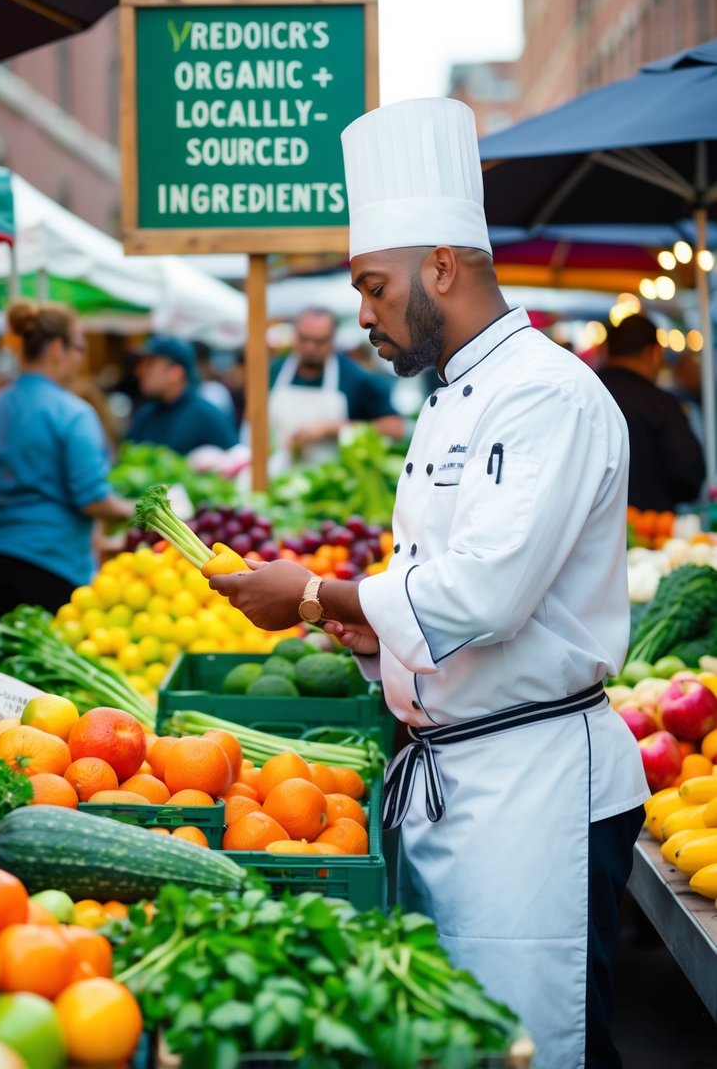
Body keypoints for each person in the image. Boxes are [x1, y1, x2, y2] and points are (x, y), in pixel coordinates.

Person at [207, 97, 649, 1068]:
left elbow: (484, 594)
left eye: (372, 284)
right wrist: (374, 636)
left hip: (532, 792)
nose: (361, 312)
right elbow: (435, 582)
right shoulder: (454, 394)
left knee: (538, 1046)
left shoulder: (542, 391)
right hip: (465, 779)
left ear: (440, 267)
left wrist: (321, 595)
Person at [0, 301, 134, 617]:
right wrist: (136, 508)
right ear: (58, 347)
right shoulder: (73, 413)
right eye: (80, 348)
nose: (80, 359)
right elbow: (91, 499)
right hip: (52, 568)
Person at [269, 305, 405, 467]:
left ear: (333, 339)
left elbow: (395, 428)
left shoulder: (356, 378)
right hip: (279, 476)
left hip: (335, 481)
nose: (310, 347)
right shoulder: (275, 371)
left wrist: (332, 429)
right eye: (304, 339)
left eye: (319, 341)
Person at [597, 314, 705, 511]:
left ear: (608, 351)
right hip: (653, 530)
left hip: (588, 531)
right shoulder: (662, 404)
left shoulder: (584, 394)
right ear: (654, 352)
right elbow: (689, 475)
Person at [125, 336, 238, 453]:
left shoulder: (206, 416)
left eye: (150, 365)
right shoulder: (145, 415)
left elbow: (236, 459)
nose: (140, 372)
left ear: (176, 373)